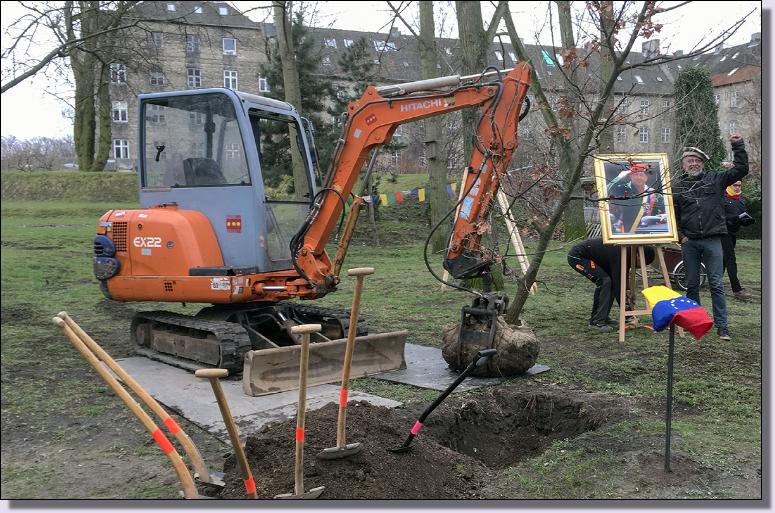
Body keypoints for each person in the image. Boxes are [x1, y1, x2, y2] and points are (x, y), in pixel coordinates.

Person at [673, 133, 749, 341]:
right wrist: (680, 236)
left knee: (716, 283)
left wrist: (737, 145)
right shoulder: (677, 188)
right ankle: (695, 323)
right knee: (692, 285)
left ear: (703, 164)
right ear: (684, 165)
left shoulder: (716, 179)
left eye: (697, 161)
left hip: (713, 239)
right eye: (690, 161)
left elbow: (742, 169)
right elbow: (673, 215)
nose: (693, 163)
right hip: (690, 242)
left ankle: (722, 327)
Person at [568, 238, 655, 332]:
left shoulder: (628, 253)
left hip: (595, 257)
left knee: (610, 282)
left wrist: (627, 293)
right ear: (638, 256)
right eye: (640, 264)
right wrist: (629, 315)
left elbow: (622, 279)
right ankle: (596, 322)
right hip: (578, 256)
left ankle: (603, 317)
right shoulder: (621, 254)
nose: (639, 267)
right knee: (604, 281)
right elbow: (619, 287)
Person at [606, 162, 665, 234]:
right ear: (631, 177)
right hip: (622, 234)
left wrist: (665, 215)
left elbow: (665, 211)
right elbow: (605, 192)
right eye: (635, 174)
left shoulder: (655, 195)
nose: (638, 177)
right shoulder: (621, 190)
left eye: (641, 174)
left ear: (646, 178)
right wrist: (619, 178)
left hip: (646, 234)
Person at [721, 180, 755, 301]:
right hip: (722, 234)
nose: (737, 188)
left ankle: (716, 284)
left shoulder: (740, 200)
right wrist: (734, 219)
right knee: (730, 260)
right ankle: (737, 289)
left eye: (739, 185)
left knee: (724, 260)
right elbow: (719, 218)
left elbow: (742, 216)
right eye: (734, 185)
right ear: (729, 186)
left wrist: (747, 221)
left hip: (732, 234)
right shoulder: (722, 199)